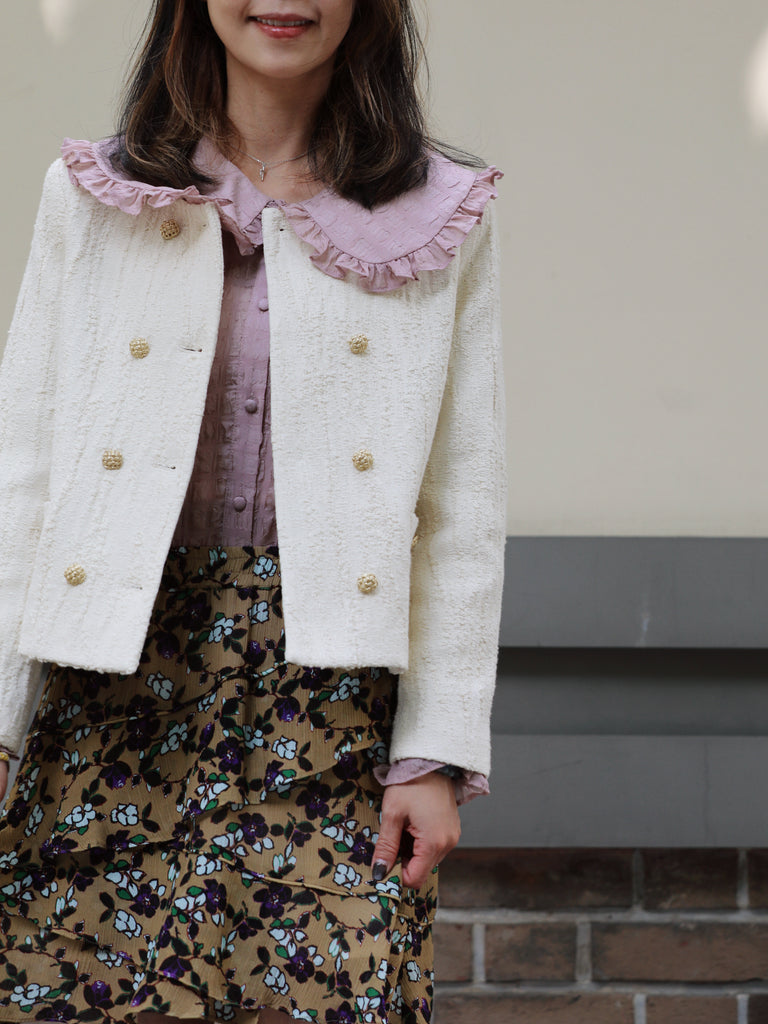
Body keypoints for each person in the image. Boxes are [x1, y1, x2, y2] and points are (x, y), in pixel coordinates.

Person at [0, 1, 506, 1021]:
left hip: (330, 696)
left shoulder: (441, 213)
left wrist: (435, 750)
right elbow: (26, 473)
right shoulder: (93, 195)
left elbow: (462, 504)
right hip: (112, 678)